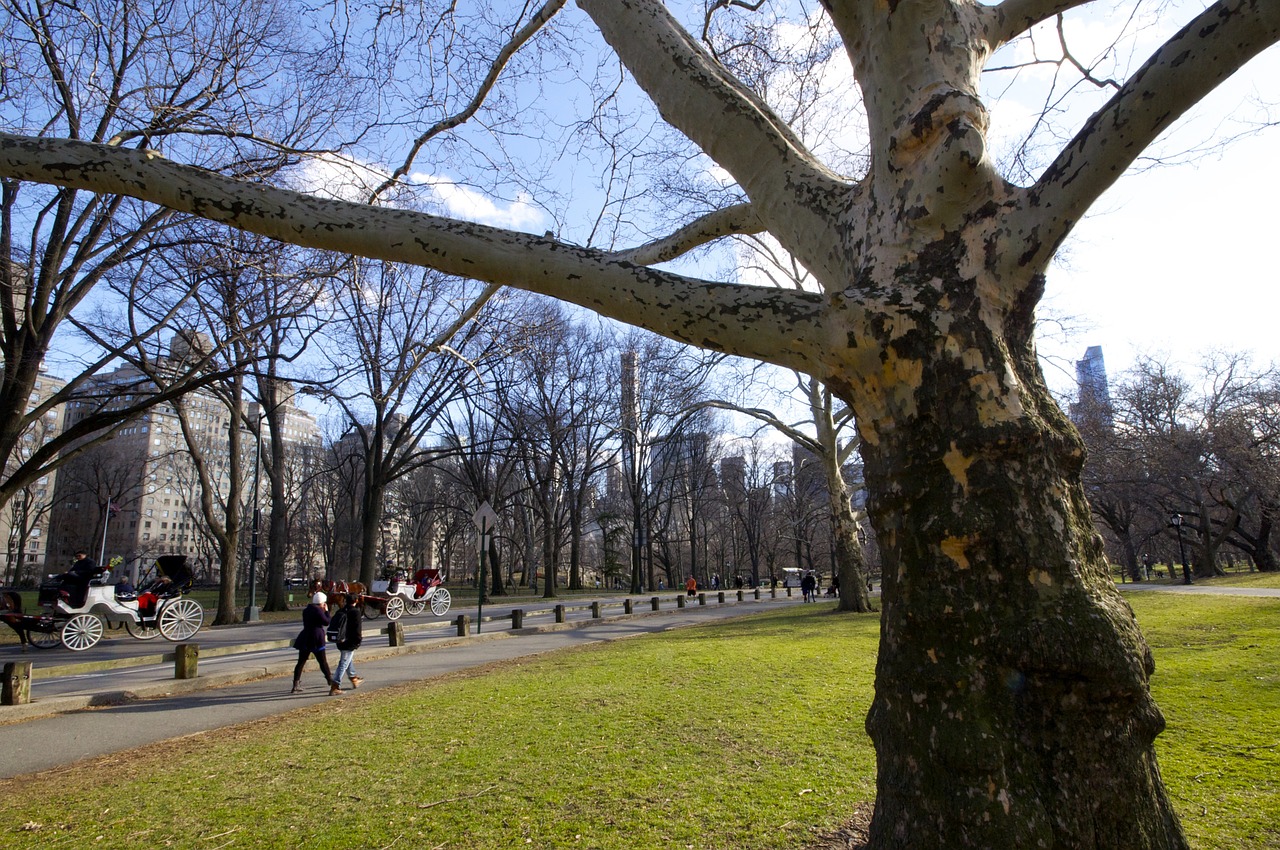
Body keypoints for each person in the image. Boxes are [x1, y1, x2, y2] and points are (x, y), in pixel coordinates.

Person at [291, 591, 339, 695]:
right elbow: (326, 622)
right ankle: (330, 680)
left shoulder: (306, 610)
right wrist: (326, 611)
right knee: (322, 661)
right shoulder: (319, 611)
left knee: (301, 662)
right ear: (322, 603)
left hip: (305, 637)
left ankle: (295, 684)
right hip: (317, 638)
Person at [329, 593, 365, 690]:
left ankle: (354, 678)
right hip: (350, 641)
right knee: (344, 663)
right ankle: (335, 685)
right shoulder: (355, 612)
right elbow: (357, 628)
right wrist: (358, 640)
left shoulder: (340, 611)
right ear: (356, 601)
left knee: (348, 659)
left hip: (340, 639)